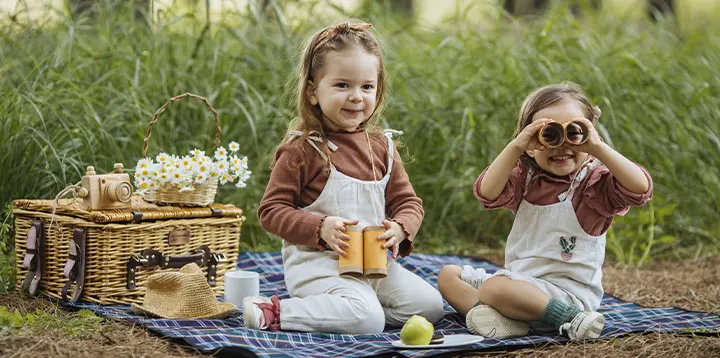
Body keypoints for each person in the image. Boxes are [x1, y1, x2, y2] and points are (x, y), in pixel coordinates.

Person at [244, 21, 444, 334]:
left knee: (430, 306)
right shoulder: (303, 149)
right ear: (313, 91)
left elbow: (408, 202)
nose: (356, 96)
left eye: (366, 87)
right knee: (368, 318)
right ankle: (276, 311)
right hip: (320, 266)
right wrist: (319, 227)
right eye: (342, 85)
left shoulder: (383, 147)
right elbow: (270, 212)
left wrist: (401, 229)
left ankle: (353, 315)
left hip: (374, 265)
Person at [438, 82, 653, 341]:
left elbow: (640, 188)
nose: (561, 145)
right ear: (531, 142)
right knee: (448, 275)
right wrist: (515, 147)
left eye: (574, 132)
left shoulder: (593, 184)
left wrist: (598, 148)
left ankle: (571, 320)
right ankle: (497, 320)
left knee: (495, 287)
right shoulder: (526, 179)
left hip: (568, 296)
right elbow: (487, 192)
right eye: (548, 135)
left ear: (589, 134)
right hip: (517, 286)